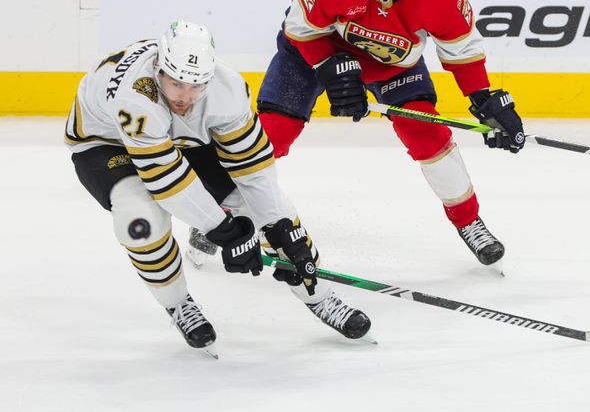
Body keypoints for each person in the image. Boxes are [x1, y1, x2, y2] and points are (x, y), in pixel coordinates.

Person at [65, 21, 371, 357]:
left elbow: (254, 169)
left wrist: (280, 227)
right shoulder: (136, 96)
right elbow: (166, 181)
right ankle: (179, 305)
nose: (185, 96)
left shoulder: (227, 89)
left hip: (179, 138)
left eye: (196, 86)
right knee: (140, 221)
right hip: (106, 143)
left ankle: (321, 297)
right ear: (158, 70)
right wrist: (225, 231)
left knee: (269, 212)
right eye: (176, 83)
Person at [253, 0, 525, 268]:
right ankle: (228, 213)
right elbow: (300, 28)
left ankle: (469, 221)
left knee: (427, 135)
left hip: (393, 65)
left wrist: (483, 100)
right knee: (269, 134)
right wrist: (330, 66)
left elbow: (461, 49)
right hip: (313, 51)